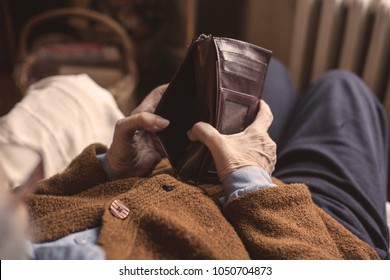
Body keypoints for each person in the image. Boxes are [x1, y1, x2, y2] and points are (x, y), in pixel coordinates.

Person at [1, 59, 389, 259]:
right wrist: (251, 177)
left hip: (182, 174)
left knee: (265, 77)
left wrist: (111, 169)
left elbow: (34, 208)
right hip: (304, 226)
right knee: (343, 88)